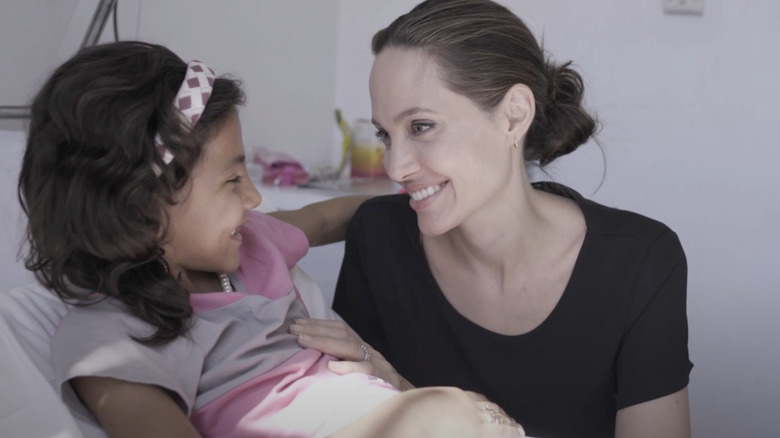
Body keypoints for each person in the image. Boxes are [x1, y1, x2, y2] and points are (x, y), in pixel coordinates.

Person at [17, 40, 526, 438]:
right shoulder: (111, 339)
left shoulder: (248, 243)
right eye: (232, 180)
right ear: (140, 207)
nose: (256, 198)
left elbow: (327, 217)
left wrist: (426, 201)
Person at [289, 1, 693, 437]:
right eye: (385, 135)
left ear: (514, 115)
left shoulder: (639, 263)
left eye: (421, 126)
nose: (395, 166)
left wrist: (414, 396)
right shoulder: (381, 239)